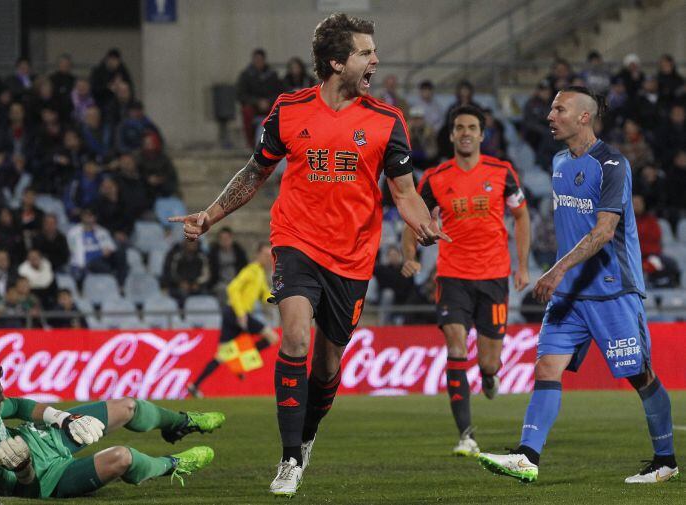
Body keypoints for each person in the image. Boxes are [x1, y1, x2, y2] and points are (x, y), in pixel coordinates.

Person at [170, 13, 448, 497]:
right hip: (296, 240)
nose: (376, 61)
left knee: (326, 367)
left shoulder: (386, 121)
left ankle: (309, 432)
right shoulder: (289, 109)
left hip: (353, 256)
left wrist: (421, 222)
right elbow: (255, 173)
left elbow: (404, 192)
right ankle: (289, 457)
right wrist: (210, 215)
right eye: (366, 53)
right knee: (295, 336)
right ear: (337, 62)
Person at [478, 86, 678, 484]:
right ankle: (527, 456)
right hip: (570, 294)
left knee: (639, 374)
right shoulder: (556, 161)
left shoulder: (613, 165)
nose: (550, 116)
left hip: (611, 290)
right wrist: (560, 273)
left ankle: (665, 460)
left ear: (584, 117)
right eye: (551, 108)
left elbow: (604, 232)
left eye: (559, 109)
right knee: (546, 366)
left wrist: (555, 270)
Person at [402, 104, 530, 458]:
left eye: (472, 127)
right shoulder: (436, 176)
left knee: (489, 362)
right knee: (455, 347)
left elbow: (521, 217)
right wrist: (410, 256)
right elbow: (412, 217)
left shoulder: (503, 172)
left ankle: (489, 376)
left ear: (482, 134)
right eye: (459, 127)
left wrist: (521, 266)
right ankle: (466, 435)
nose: (466, 133)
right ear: (451, 134)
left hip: (493, 276)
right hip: (452, 275)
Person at [0, 363, 223, 498]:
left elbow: (22, 407)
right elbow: (27, 493)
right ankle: (173, 465)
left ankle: (179, 424)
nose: (3, 398)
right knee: (122, 457)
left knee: (127, 406)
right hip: (47, 478)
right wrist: (24, 469)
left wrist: (63, 418)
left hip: (41, 438)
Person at [187, 242, 280, 398]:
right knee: (272, 337)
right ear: (257, 255)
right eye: (265, 255)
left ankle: (194, 386)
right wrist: (241, 314)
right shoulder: (251, 271)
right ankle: (239, 359)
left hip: (234, 314)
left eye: (269, 256)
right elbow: (232, 288)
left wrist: (279, 299)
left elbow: (265, 295)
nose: (267, 259)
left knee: (221, 356)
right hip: (236, 314)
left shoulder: (259, 274)